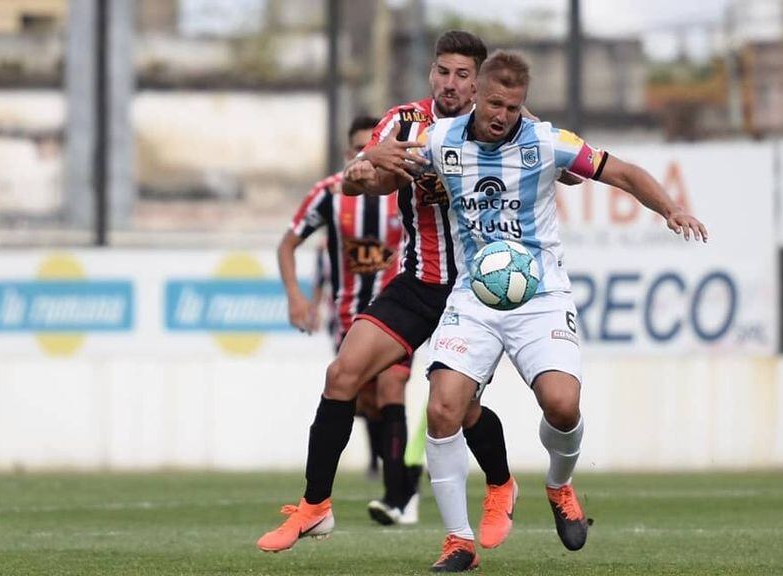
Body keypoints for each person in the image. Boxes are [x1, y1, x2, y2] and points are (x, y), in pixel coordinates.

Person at [362, 51, 709, 572]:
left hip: (540, 293)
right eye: (496, 102)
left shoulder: (547, 142)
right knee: (442, 408)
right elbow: (377, 169)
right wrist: (364, 164)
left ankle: (560, 485)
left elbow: (626, 173)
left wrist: (672, 209)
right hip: (474, 293)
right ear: (476, 93)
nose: (503, 115)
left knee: (562, 405)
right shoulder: (440, 139)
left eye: (514, 105)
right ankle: (458, 542)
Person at [257, 30, 517, 554]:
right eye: (442, 71)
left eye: (463, 74)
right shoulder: (404, 123)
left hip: (473, 293)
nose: (450, 83)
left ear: (480, 81)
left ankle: (500, 485)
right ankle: (315, 508)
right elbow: (365, 180)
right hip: (418, 283)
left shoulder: (504, 127)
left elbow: (548, 166)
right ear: (431, 73)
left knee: (458, 412)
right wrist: (361, 170)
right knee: (342, 374)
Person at [276, 115, 423, 525]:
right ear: (351, 153)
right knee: (369, 401)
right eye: (364, 146)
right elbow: (288, 243)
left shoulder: (409, 187)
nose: (374, 153)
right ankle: (404, 478)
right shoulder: (328, 194)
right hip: (349, 317)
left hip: (402, 308)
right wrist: (296, 297)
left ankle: (399, 499)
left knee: (392, 385)